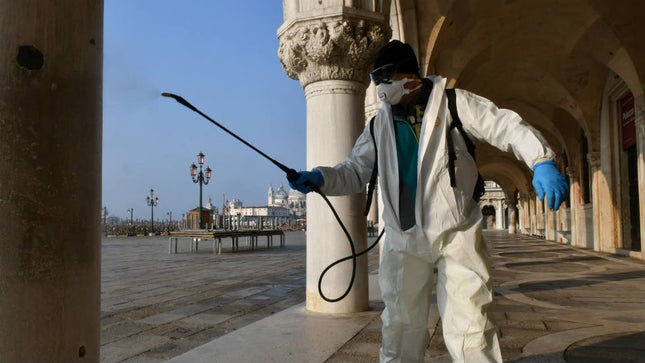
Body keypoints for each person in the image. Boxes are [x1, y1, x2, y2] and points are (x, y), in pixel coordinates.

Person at [289, 40, 569, 363]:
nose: (380, 87)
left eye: (386, 78)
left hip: (456, 233)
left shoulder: (452, 103)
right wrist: (322, 178)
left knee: (472, 329)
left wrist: (541, 158)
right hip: (403, 238)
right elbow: (355, 171)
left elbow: (503, 124)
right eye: (376, 79)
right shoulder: (379, 124)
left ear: (410, 76)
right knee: (399, 329)